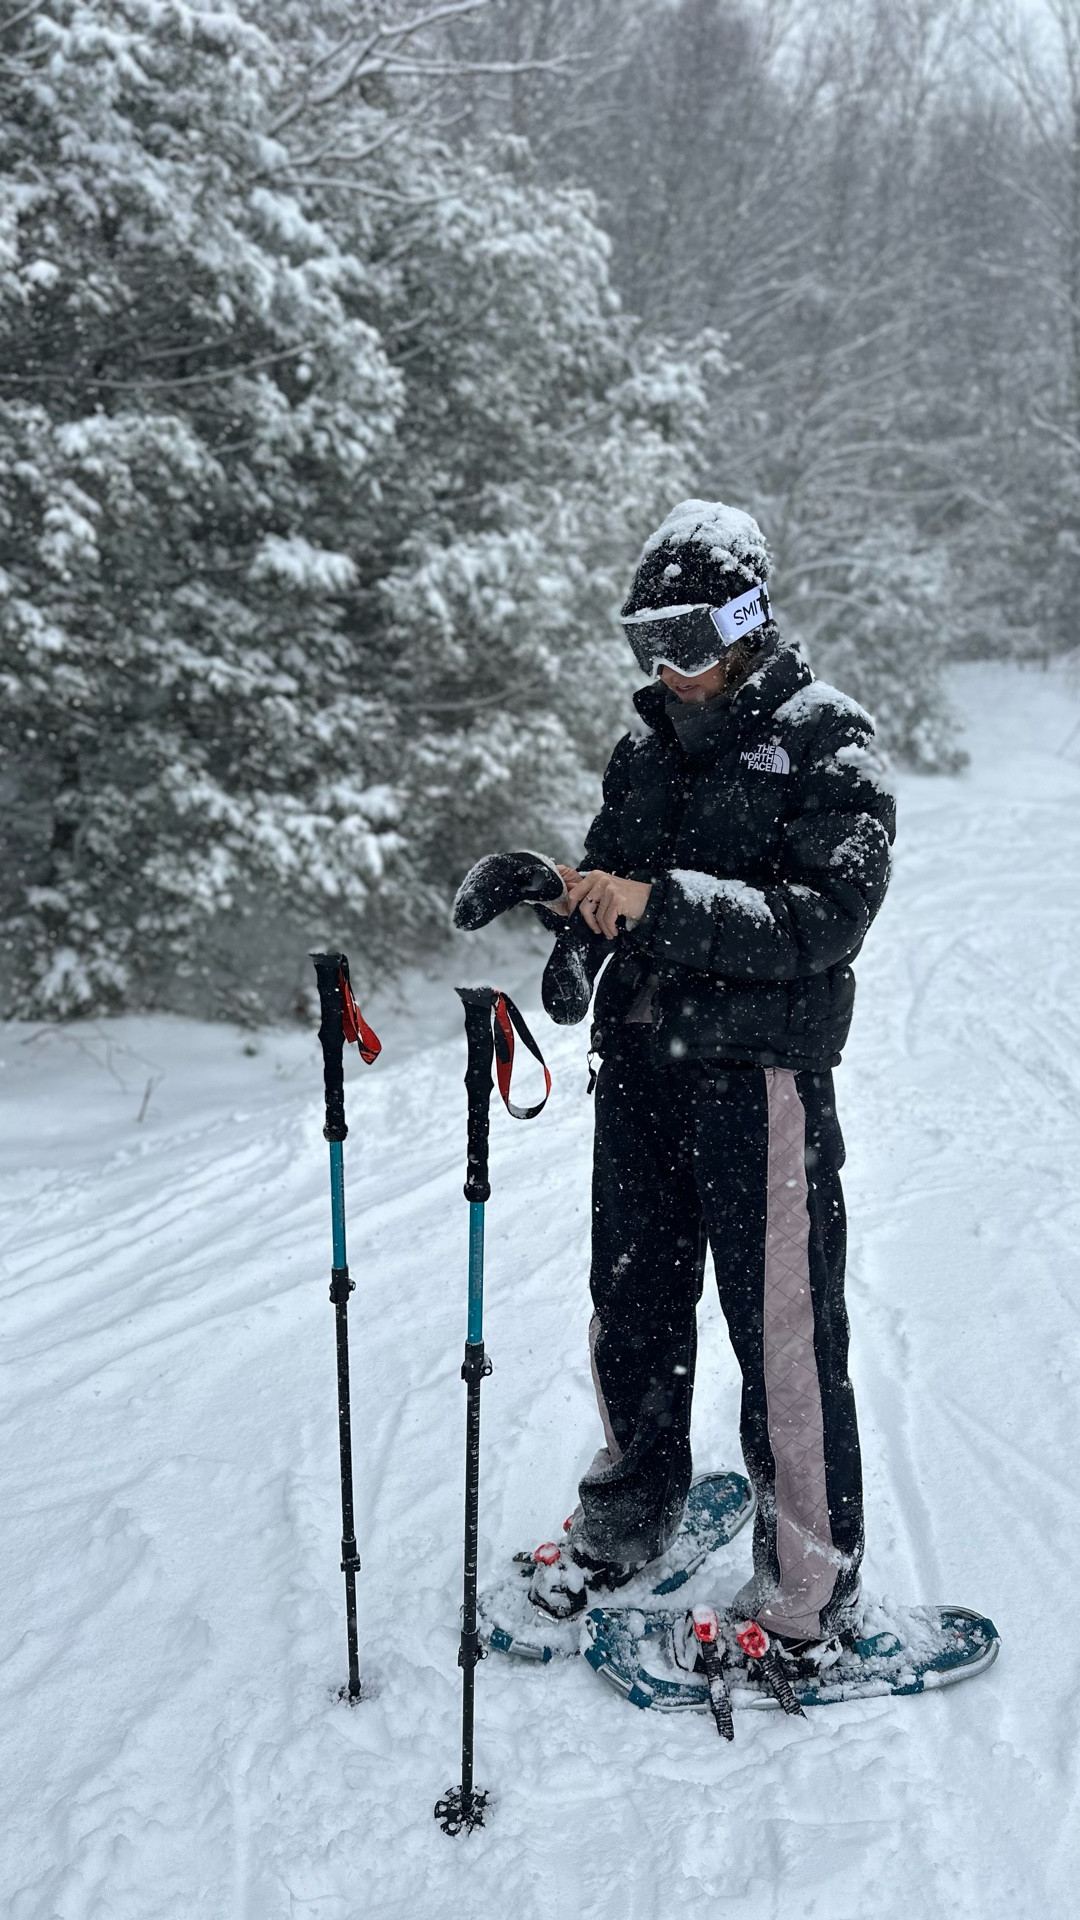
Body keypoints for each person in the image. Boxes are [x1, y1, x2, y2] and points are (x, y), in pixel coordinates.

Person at [529, 499, 895, 1652]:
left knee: (780, 1334)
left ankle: (808, 1591)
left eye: (686, 642)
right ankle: (630, 1519)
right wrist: (565, 912)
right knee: (630, 1307)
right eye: (648, 646)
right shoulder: (644, 750)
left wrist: (658, 905)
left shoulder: (830, 740)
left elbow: (823, 922)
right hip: (640, 1068)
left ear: (744, 624)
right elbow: (616, 888)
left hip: (760, 1082)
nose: (668, 670)